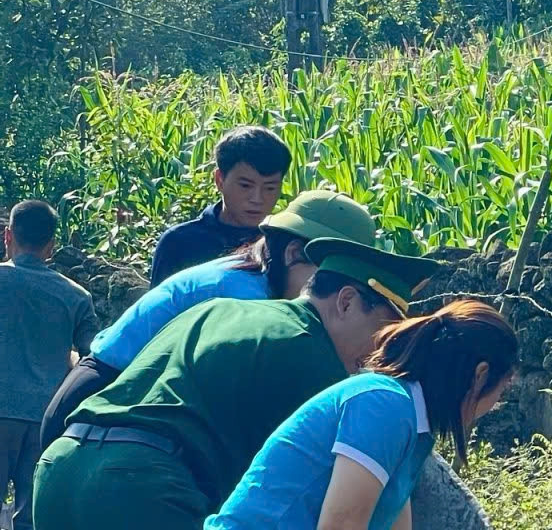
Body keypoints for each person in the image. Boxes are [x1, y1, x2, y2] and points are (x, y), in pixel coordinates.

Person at [31, 237, 442, 530]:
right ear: (347, 302)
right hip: (142, 488)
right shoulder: (316, 359)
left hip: (60, 469)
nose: (382, 350)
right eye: (385, 330)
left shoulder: (220, 308)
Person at [39, 189, 378, 449]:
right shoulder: (243, 299)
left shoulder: (255, 279)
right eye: (332, 276)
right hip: (100, 410)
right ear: (292, 254)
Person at [207, 299, 517, 530]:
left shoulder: (412, 425)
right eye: (500, 390)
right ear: (480, 375)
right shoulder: (385, 405)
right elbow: (340, 526)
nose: (494, 404)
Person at [0, 202, 97, 530]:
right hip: (47, 419)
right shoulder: (77, 296)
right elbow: (93, 357)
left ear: (8, 235)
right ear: (51, 247)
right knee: (31, 519)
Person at [149, 126, 292, 287]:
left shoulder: (285, 243)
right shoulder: (180, 243)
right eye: (245, 186)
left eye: (270, 188)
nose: (257, 199)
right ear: (219, 180)